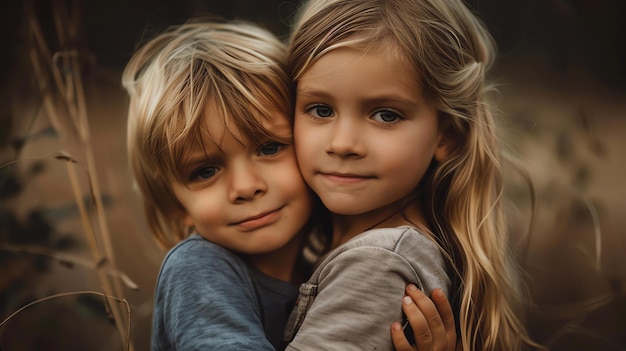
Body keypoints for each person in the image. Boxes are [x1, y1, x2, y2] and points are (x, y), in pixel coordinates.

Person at [123, 19, 457, 351]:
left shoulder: (324, 262)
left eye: (269, 148)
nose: (245, 187)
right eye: (205, 171)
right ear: (175, 205)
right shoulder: (198, 270)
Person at [283, 0, 544, 350]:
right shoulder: (321, 240)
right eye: (321, 109)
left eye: (386, 115)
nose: (344, 144)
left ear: (446, 135)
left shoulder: (376, 264)